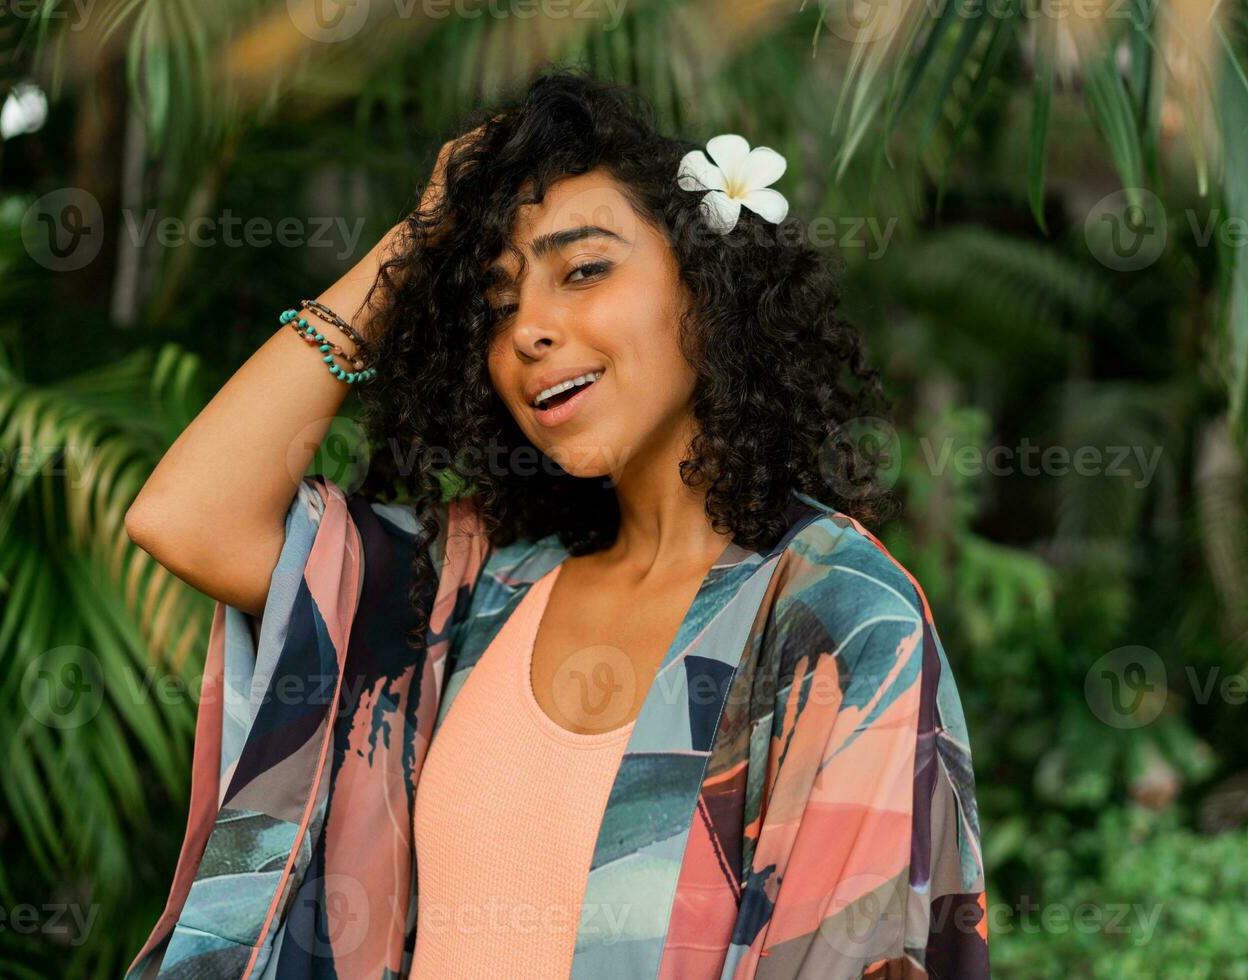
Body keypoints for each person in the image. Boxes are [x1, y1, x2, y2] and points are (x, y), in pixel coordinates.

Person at [122, 68, 988, 980]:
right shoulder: (471, 592)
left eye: (584, 270)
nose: (530, 329)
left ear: (704, 281)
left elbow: (853, 953)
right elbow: (189, 516)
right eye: (498, 307)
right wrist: (417, 240)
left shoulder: (833, 610)